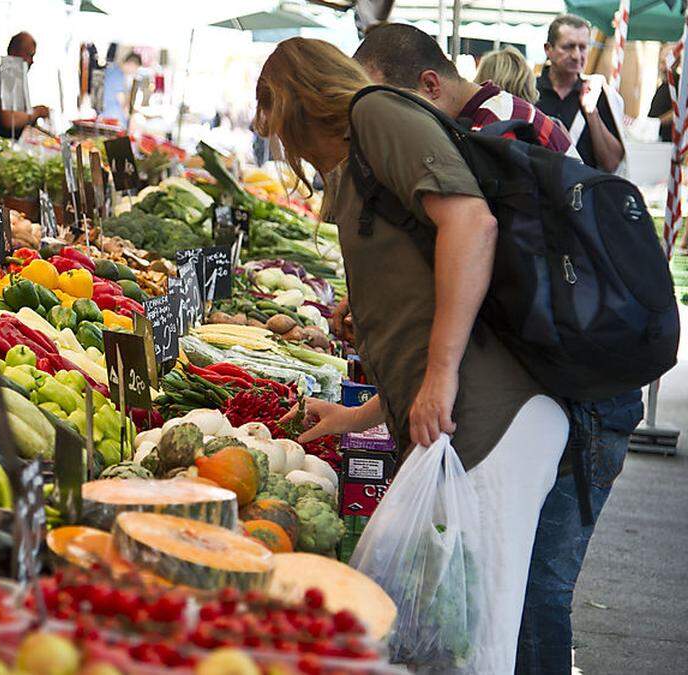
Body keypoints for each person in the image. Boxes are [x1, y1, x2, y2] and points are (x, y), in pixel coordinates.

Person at [256, 38, 568, 671]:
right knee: (432, 643)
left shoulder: (375, 113)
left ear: (293, 102)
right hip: (460, 427)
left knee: (475, 646)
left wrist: (441, 377)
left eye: (274, 122)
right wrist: (362, 413)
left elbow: (472, 225)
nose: (281, 145)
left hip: (492, 426)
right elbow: (419, 312)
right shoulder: (354, 160)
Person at [354, 24, 641, 675]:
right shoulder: (496, 122)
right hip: (580, 376)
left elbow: (489, 258)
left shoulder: (489, 134)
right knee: (520, 591)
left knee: (539, 592)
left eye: (385, 110)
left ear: (426, 86)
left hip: (595, 390)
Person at [353, 23, 572, 154]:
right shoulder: (485, 115)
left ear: (430, 85)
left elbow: (491, 225)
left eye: (389, 103)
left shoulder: (494, 127)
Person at [536, 14, 625, 172]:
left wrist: (592, 114)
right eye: (568, 47)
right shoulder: (529, 90)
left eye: (583, 47)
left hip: (582, 193)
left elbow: (612, 164)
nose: (577, 55)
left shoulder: (599, 93)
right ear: (548, 49)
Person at [0, 32, 49, 139]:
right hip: (7, 144)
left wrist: (35, 111)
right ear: (15, 52)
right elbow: (10, 120)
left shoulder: (10, 72)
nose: (32, 61)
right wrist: (36, 112)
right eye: (29, 55)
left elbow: (16, 114)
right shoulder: (10, 71)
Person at [101, 52, 142, 126]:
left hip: (107, 116)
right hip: (113, 119)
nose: (134, 72)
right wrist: (130, 118)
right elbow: (122, 101)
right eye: (135, 69)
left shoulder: (113, 70)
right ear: (131, 64)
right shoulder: (117, 75)